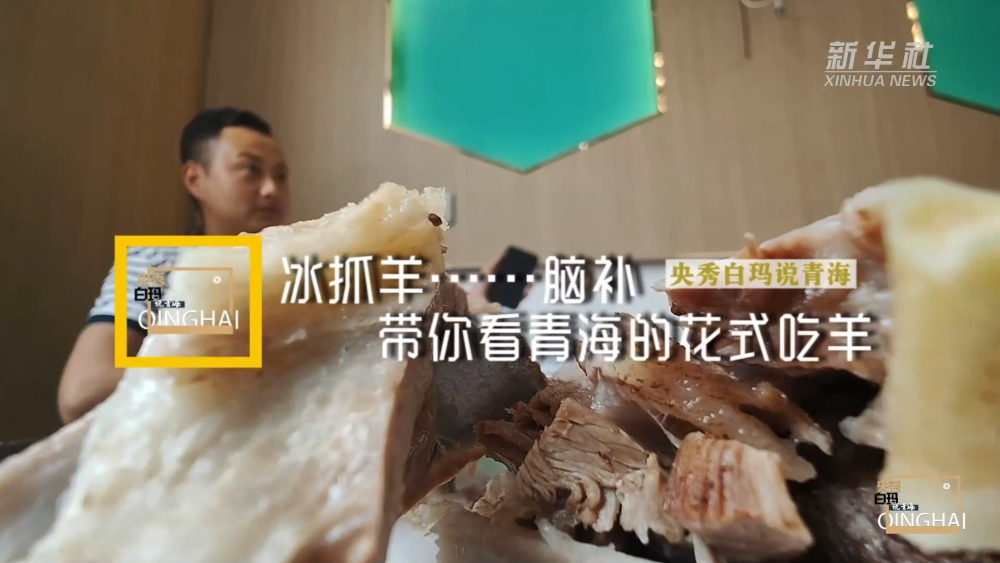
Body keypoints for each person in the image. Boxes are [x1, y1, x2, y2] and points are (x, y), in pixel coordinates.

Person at [58, 107, 290, 423]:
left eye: (281, 176)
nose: (272, 189)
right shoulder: (157, 267)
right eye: (251, 170)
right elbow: (82, 393)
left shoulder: (305, 270)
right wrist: (234, 368)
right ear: (195, 179)